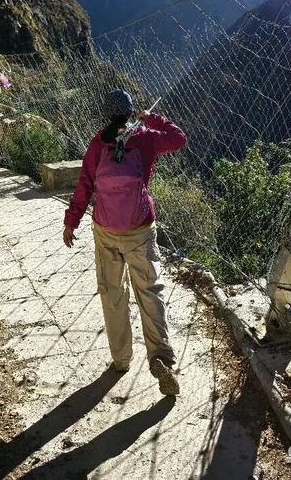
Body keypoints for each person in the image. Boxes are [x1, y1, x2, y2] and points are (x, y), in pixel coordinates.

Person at [63, 89, 187, 396]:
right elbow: (178, 138)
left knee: (112, 292)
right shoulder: (145, 138)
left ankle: (120, 359)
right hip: (140, 228)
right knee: (150, 291)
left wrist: (71, 221)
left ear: (106, 113)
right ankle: (161, 359)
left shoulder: (97, 144)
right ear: (131, 111)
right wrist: (152, 118)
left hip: (105, 229)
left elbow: (85, 184)